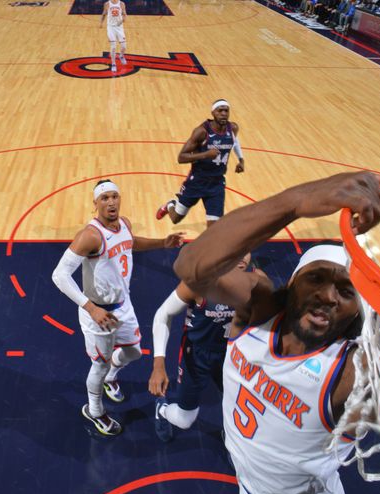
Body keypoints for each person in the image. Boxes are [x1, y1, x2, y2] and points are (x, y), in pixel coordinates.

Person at [173, 172, 380, 494]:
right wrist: (294, 202)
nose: (328, 295)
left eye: (345, 291)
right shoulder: (257, 311)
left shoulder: (352, 372)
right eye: (316, 278)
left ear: (357, 309)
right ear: (291, 285)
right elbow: (190, 266)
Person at [52, 180, 183, 436]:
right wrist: (91, 308)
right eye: (105, 198)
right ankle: (95, 410)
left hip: (123, 306)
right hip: (98, 314)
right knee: (98, 367)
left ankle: (111, 377)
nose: (111, 202)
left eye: (114, 197)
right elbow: (59, 275)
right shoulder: (90, 235)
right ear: (96, 203)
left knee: (134, 352)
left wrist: (162, 243)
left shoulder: (124, 223)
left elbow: (131, 243)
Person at [148, 253, 259, 442]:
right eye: (237, 249)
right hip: (197, 354)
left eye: (246, 249)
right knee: (185, 419)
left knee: (239, 403)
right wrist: (159, 363)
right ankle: (163, 410)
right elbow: (163, 314)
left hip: (233, 353)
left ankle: (231, 438)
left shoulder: (257, 281)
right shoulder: (200, 283)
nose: (242, 256)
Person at [156, 99, 245, 227]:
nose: (224, 113)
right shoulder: (202, 132)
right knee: (175, 218)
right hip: (197, 181)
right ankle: (170, 205)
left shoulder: (233, 128)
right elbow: (181, 157)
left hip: (217, 183)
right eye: (220, 110)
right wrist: (205, 154)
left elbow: (235, 141)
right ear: (213, 112)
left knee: (214, 228)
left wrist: (241, 160)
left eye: (226, 110)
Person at [99, 0, 126, 73]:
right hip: (110, 27)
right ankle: (113, 64)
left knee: (124, 46)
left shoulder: (122, 4)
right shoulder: (107, 4)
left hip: (119, 27)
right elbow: (104, 14)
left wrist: (122, 20)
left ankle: (121, 56)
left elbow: (124, 15)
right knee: (113, 46)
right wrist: (101, 23)